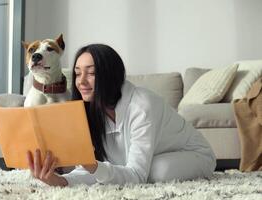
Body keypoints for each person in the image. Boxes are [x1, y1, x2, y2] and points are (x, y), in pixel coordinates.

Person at [26, 44, 216, 186]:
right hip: (147, 157)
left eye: (91, 73)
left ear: (110, 75)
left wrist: (94, 166)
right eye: (77, 74)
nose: (81, 81)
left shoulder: (142, 106)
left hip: (193, 154)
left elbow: (134, 175)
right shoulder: (89, 109)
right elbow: (99, 169)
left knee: (157, 172)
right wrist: (59, 180)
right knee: (123, 170)